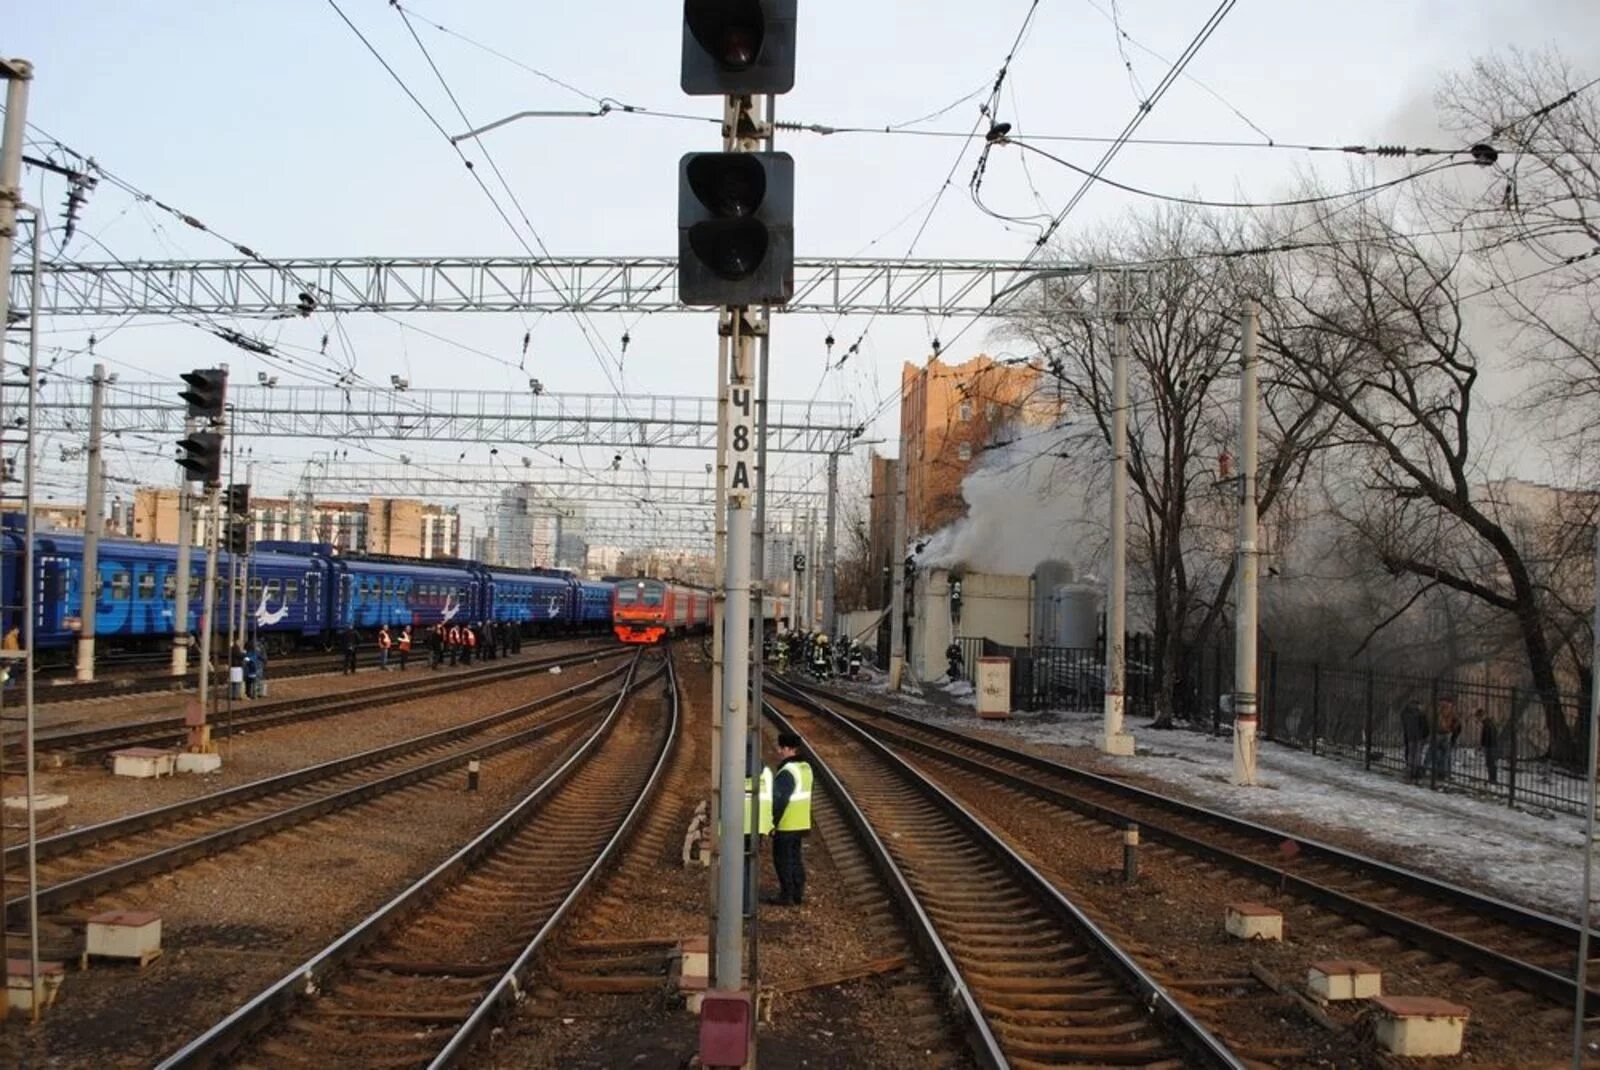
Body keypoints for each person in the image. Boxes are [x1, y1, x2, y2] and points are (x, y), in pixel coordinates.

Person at [769, 731, 813, 906]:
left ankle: (786, 895)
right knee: (795, 858)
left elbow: (780, 799)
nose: (779, 751)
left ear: (788, 749)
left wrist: (772, 822)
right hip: (801, 822)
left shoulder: (788, 771)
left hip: (787, 824)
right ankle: (797, 892)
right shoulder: (806, 767)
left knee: (782, 860)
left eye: (781, 748)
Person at [1400, 699, 1427, 781]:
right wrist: (1425, 734)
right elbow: (1424, 725)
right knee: (1417, 754)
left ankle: (1409, 770)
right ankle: (1415, 771)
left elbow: (1404, 723)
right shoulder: (1420, 714)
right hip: (1419, 736)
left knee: (1411, 753)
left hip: (1410, 735)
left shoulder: (1405, 713)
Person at [1479, 707, 1501, 785]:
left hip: (1490, 746)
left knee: (1491, 763)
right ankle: (1492, 779)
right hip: (1491, 745)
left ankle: (1493, 779)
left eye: (1479, 717)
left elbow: (1488, 736)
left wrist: (1483, 745)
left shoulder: (1488, 724)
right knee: (1491, 763)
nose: (1479, 720)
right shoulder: (1488, 723)